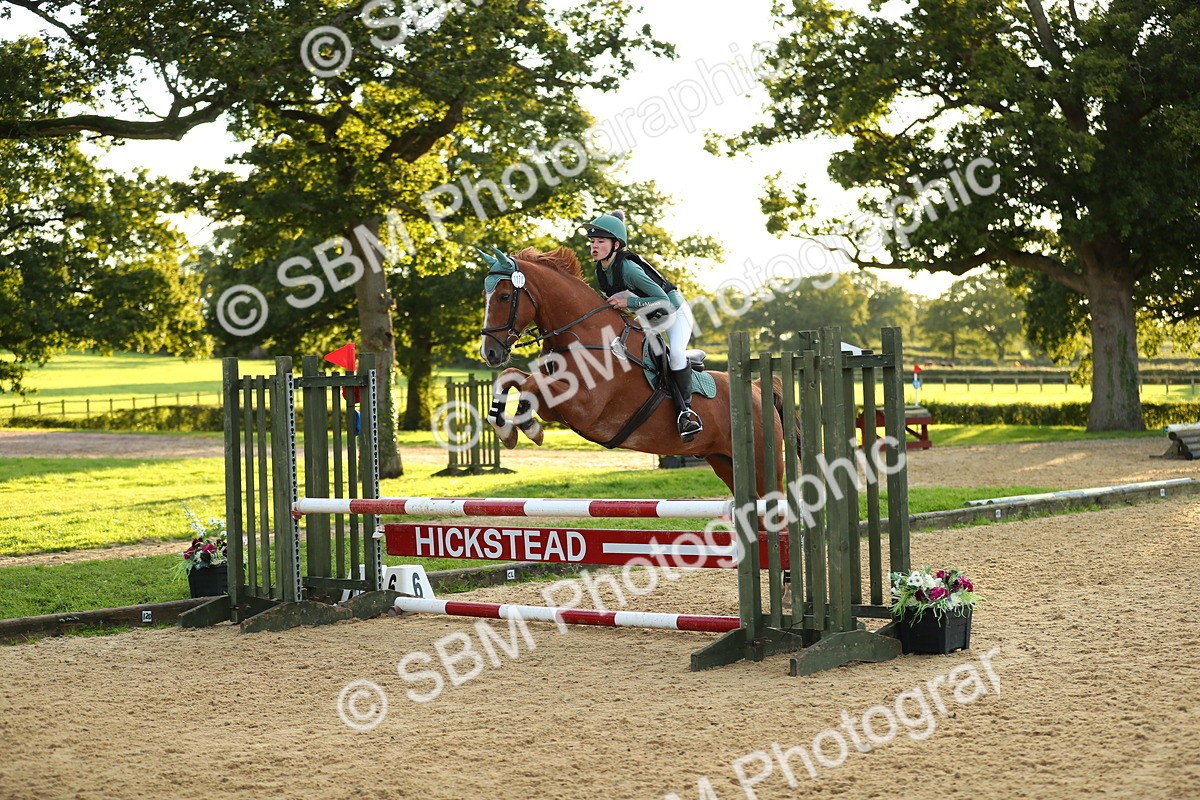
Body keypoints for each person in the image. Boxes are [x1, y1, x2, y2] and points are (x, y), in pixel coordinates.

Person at [583, 210, 703, 441]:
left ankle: (685, 413)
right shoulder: (602, 269)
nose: (594, 246)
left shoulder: (627, 268)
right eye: (592, 242)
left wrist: (628, 302)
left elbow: (663, 301)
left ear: (616, 244)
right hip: (648, 316)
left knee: (676, 354)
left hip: (674, 312)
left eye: (600, 242)